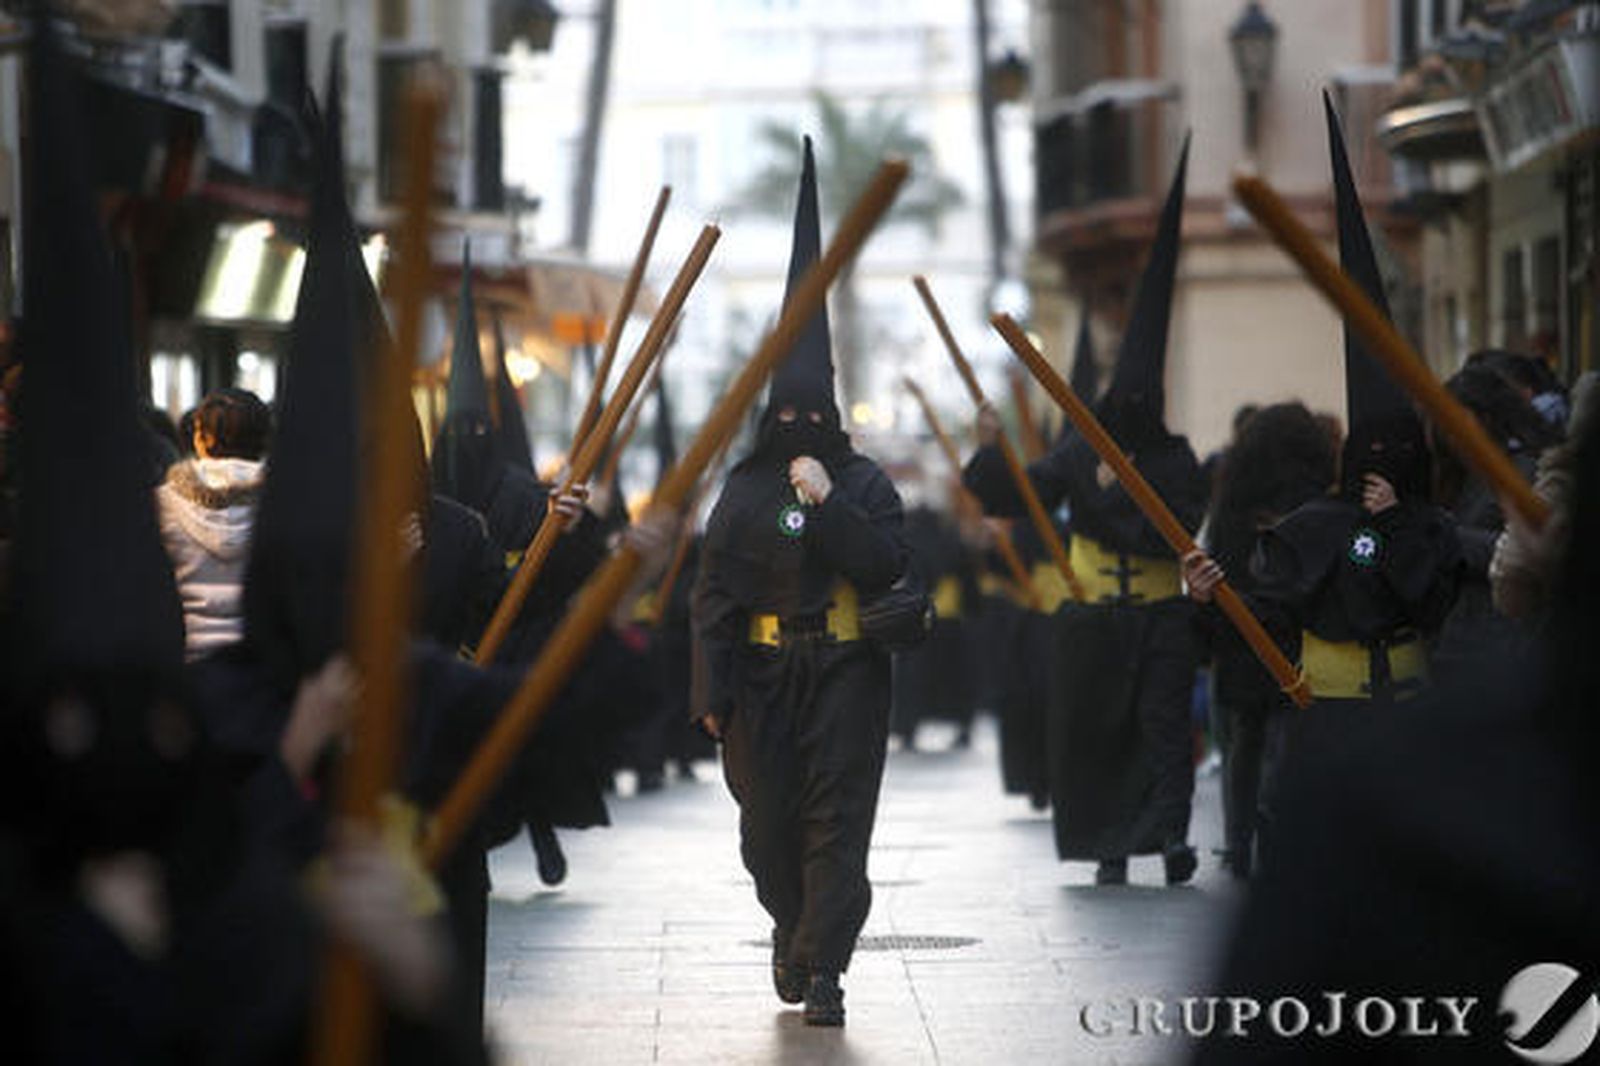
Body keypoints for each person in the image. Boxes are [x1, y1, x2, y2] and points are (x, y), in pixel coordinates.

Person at [1182, 97, 1460, 862]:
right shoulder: (1308, 529)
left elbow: (1434, 601)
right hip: (1322, 718)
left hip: (1409, 715)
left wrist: (1392, 527)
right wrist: (1208, 600)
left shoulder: (1431, 527)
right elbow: (1264, 617)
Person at [692, 137, 908, 1027]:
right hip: (760, 683)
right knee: (767, 829)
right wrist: (712, 695)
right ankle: (793, 926)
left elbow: (886, 564)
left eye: (811, 412)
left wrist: (827, 502)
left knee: (837, 822)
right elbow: (713, 597)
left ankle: (825, 969)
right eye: (784, 412)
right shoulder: (742, 490)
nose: (798, 423)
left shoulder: (863, 482)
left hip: (848, 674)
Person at [966, 140, 1206, 887]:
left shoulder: (1175, 459)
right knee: (1102, 734)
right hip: (1096, 616)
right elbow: (1020, 495)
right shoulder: (1079, 455)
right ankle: (1110, 844)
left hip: (1161, 618)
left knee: (1165, 729)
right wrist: (991, 452)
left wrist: (1121, 488)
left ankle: (1172, 837)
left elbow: (1174, 526)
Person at [1193, 403, 1335, 879]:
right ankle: (1279, 835)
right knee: (1281, 739)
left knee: (1245, 741)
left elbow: (1218, 559)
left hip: (1242, 635)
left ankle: (1238, 842)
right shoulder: (1315, 502)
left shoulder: (1234, 504)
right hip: (1296, 633)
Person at [156, 387, 271, 660]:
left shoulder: (161, 503)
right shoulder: (286, 504)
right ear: (266, 439)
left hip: (184, 656)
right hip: (260, 660)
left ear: (199, 438)